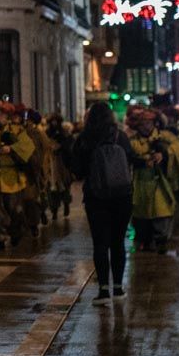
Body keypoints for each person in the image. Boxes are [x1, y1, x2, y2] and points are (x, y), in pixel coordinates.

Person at [70, 102, 135, 304]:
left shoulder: (84, 139)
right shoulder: (120, 136)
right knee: (118, 242)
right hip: (122, 196)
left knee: (100, 243)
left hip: (96, 196)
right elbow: (131, 159)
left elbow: (78, 170)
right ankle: (118, 288)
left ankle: (103, 291)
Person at [0, 103, 37, 250]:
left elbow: (28, 147)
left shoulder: (16, 130)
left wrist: (11, 149)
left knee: (15, 209)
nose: (0, 118)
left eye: (3, 114)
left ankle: (16, 232)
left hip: (12, 177)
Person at [125, 108, 179, 255]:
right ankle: (145, 240)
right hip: (140, 184)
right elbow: (128, 158)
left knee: (161, 211)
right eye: (142, 122)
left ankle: (161, 240)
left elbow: (177, 152)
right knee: (141, 214)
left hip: (161, 183)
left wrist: (163, 155)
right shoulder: (132, 141)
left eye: (149, 122)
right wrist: (143, 161)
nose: (146, 126)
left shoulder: (166, 138)